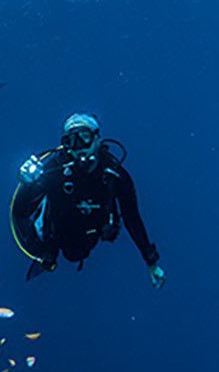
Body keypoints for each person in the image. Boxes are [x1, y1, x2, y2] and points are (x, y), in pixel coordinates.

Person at [11, 113, 165, 286]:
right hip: (57, 235)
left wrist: (150, 260)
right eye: (71, 141)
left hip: (91, 234)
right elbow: (20, 212)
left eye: (84, 137)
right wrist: (28, 186)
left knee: (79, 250)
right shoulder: (55, 170)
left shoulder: (114, 175)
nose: (78, 147)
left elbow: (132, 217)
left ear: (98, 138)